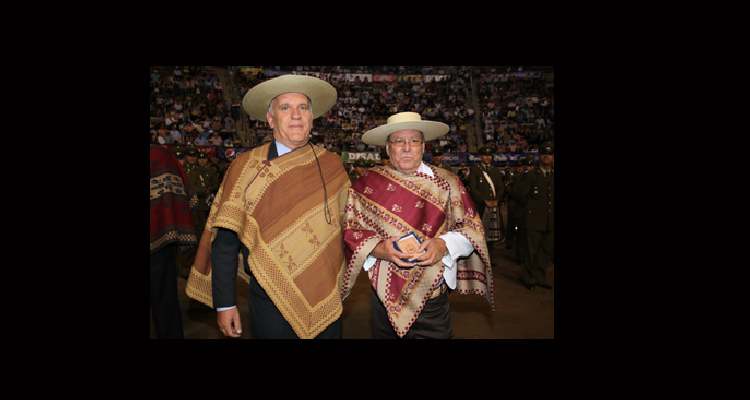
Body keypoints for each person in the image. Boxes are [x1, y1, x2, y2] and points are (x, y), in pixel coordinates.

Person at [185, 74, 351, 339]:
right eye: (285, 108)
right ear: (271, 119)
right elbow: (225, 241)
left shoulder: (332, 166)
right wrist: (225, 304)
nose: (296, 115)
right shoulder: (245, 167)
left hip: (325, 293)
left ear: (312, 119)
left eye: (303, 108)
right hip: (268, 298)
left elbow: (351, 229)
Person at [341, 111, 494, 339]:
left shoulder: (447, 183)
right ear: (387, 147)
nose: (406, 147)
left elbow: (472, 229)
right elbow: (351, 229)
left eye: (414, 141)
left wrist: (443, 245)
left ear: (423, 147)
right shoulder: (367, 184)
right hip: (383, 300)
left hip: (433, 301)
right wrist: (378, 249)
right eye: (398, 141)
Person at [150, 144, 198, 338]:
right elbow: (187, 194)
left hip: (161, 239)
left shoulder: (159, 155)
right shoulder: (161, 154)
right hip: (163, 235)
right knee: (165, 297)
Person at [511, 142, 554, 290]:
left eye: (549, 154)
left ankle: (540, 277)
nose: (546, 157)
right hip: (533, 220)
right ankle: (528, 277)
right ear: (540, 156)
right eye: (544, 154)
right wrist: (530, 208)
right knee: (531, 251)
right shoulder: (530, 175)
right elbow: (517, 193)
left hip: (550, 221)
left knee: (545, 251)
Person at [468, 146, 506, 245]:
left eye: (489, 155)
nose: (487, 157)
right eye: (485, 155)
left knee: (492, 233)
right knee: (479, 231)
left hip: (494, 205)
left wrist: (497, 200)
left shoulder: (495, 170)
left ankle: (491, 254)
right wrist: (484, 201)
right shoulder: (475, 170)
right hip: (480, 205)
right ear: (481, 157)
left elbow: (501, 187)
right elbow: (473, 188)